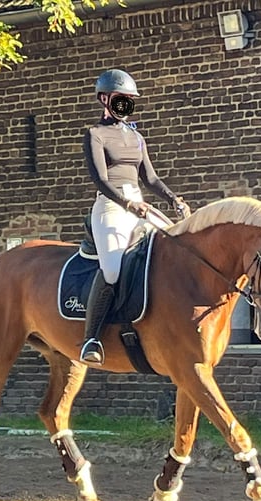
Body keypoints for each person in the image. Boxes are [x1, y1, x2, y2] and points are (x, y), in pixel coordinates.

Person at [80, 68, 189, 366]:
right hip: (111, 207)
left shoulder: (137, 137)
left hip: (140, 204)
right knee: (113, 269)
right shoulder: (95, 135)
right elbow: (100, 180)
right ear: (104, 99)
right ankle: (91, 338)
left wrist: (173, 199)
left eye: (129, 99)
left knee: (179, 246)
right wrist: (129, 204)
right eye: (120, 98)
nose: (125, 103)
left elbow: (150, 178)